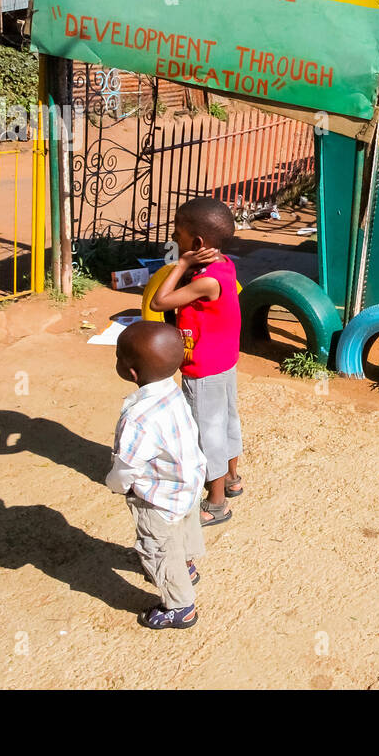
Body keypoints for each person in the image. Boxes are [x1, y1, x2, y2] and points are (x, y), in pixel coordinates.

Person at [149, 197, 243, 526]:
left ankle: (217, 503)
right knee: (227, 421)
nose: (174, 237)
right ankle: (232, 478)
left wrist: (180, 264)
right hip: (224, 361)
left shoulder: (203, 280)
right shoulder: (224, 265)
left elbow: (160, 301)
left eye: (178, 231)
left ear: (197, 243)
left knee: (208, 433)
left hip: (204, 369)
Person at [107, 320, 207, 630]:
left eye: (118, 357)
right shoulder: (172, 393)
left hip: (157, 498)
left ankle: (180, 607)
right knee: (184, 527)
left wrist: (117, 485)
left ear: (131, 372)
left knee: (157, 547)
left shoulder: (138, 417)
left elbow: (127, 464)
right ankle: (187, 564)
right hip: (187, 486)